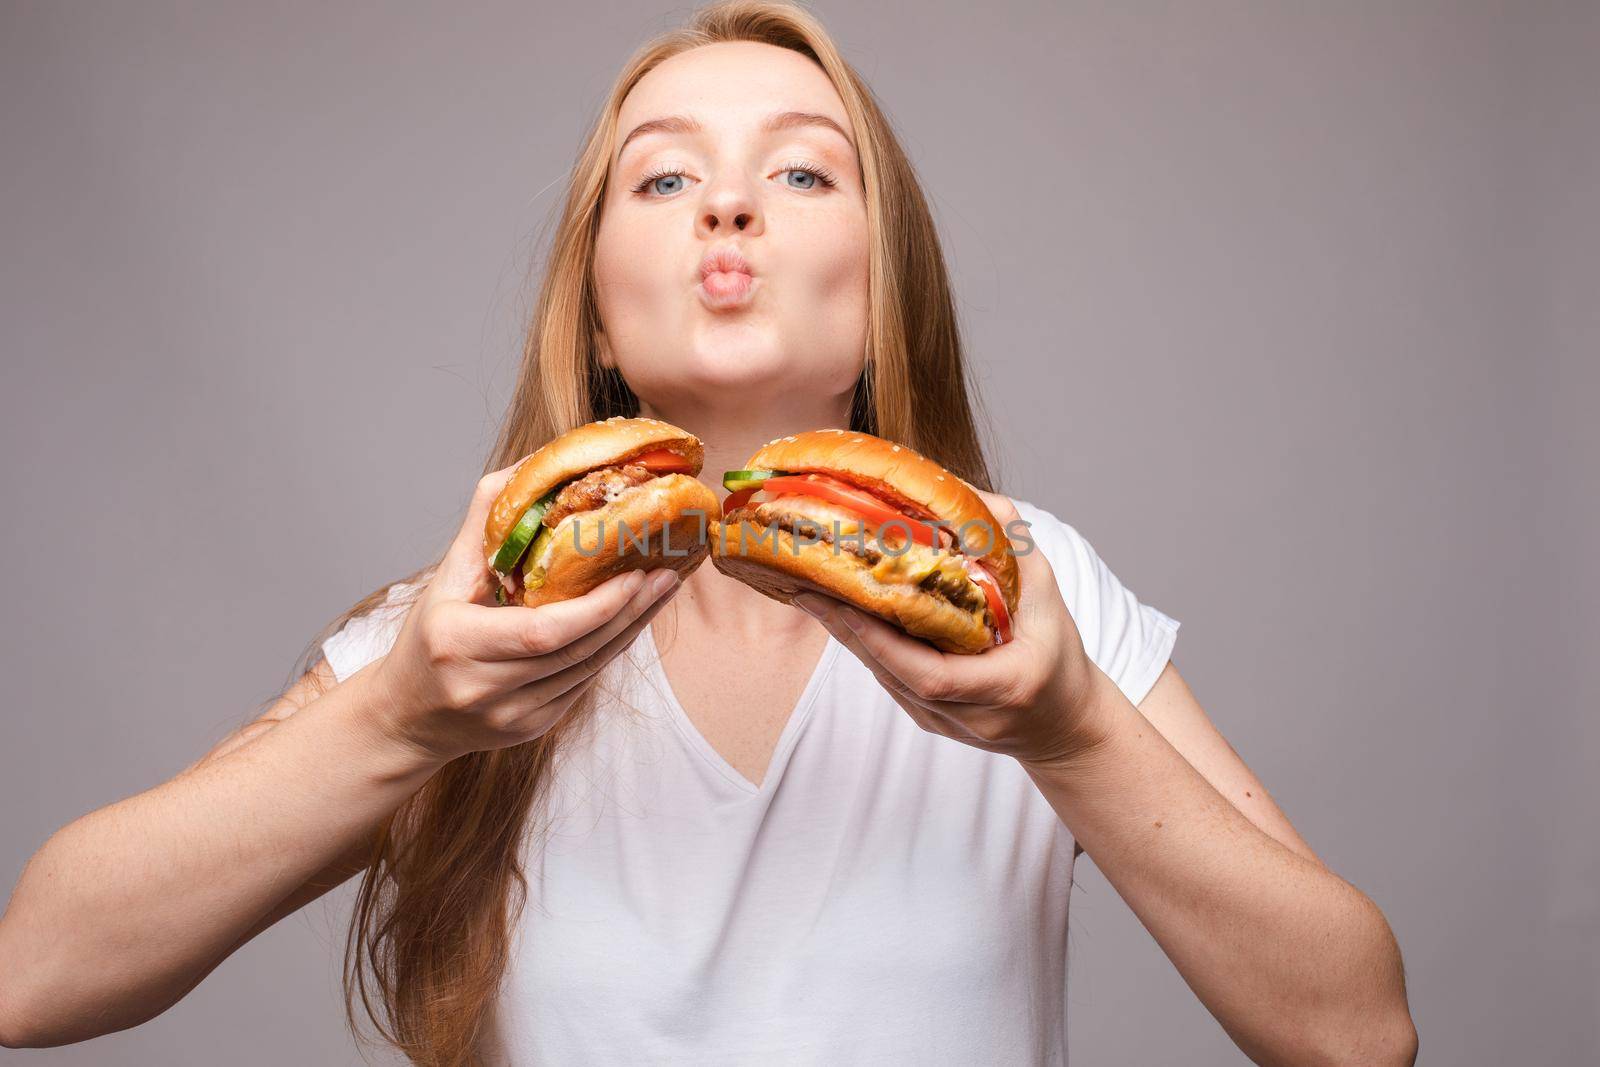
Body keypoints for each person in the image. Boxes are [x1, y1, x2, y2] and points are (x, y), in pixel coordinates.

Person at [0, 2, 1418, 1063]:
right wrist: (403, 721)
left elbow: (1359, 1033)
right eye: (664, 178)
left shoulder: (1030, 592)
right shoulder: (462, 632)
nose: (728, 201)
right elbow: (38, 975)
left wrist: (1068, 731)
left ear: (879, 295)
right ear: (602, 312)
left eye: (804, 173)